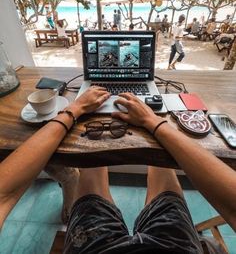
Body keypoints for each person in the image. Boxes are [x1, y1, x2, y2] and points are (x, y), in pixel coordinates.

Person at [0, 88, 236, 253]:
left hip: (95, 248)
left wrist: (74, 111)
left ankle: (85, 151)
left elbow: (4, 192)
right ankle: (148, 138)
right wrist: (152, 122)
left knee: (92, 171)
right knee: (163, 167)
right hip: (176, 248)